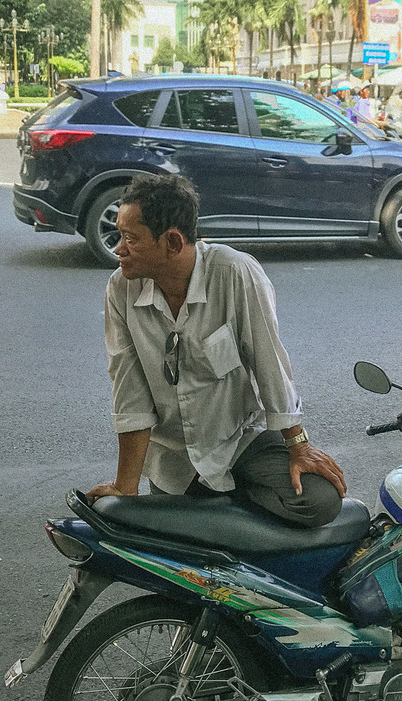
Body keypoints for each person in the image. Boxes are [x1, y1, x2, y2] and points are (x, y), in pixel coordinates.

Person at [87, 172, 346, 526]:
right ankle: (215, 513)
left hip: (242, 440)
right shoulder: (121, 289)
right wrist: (126, 488)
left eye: (131, 238)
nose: (119, 248)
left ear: (173, 243)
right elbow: (129, 392)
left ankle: (216, 512)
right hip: (174, 458)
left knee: (320, 502)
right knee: (166, 545)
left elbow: (270, 363)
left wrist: (298, 445)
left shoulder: (235, 272)